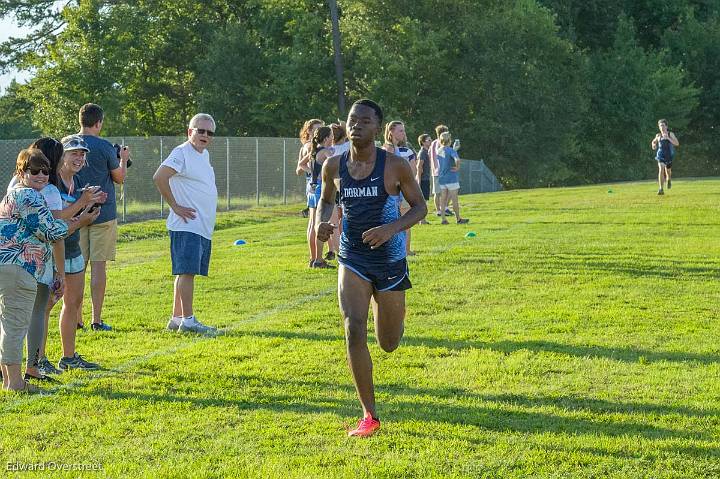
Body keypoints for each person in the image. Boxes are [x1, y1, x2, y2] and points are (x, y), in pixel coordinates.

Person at [316, 99, 427, 437]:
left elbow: (419, 208)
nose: (357, 125)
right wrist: (323, 221)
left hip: (390, 260)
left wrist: (390, 229)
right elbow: (326, 199)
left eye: (365, 121)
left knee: (389, 343)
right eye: (352, 119)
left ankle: (394, 314)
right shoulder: (333, 166)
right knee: (353, 327)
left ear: (377, 128)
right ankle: (369, 414)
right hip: (352, 258)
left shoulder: (395, 165)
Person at [0, 149, 97, 392]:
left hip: (10, 267)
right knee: (15, 325)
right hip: (19, 268)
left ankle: (9, 379)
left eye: (45, 171)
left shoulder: (15, 194)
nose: (42, 175)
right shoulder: (30, 197)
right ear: (21, 172)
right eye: (35, 171)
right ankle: (15, 384)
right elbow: (51, 232)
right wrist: (81, 220)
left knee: (8, 323)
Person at [153, 114, 219, 335]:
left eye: (209, 132)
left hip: (199, 226)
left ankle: (177, 318)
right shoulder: (182, 152)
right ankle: (189, 321)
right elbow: (160, 177)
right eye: (200, 131)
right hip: (186, 224)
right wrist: (175, 206)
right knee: (187, 272)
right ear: (190, 131)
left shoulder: (204, 154)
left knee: (185, 272)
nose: (205, 135)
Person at [76, 103, 131, 331]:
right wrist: (123, 159)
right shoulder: (105, 146)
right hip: (103, 213)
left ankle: (75, 318)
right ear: (98, 122)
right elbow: (119, 178)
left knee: (76, 268)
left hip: (74, 212)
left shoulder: (67, 144)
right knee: (98, 267)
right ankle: (96, 319)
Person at [56, 136, 107, 370]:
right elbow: (56, 218)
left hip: (73, 248)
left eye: (82, 154)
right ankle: (38, 361)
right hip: (54, 252)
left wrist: (90, 205)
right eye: (74, 153)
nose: (79, 158)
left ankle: (69, 357)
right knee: (44, 308)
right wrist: (82, 203)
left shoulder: (77, 182)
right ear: (61, 155)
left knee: (74, 302)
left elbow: (73, 218)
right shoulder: (52, 183)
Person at [383, 121, 417, 255]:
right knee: (389, 220)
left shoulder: (407, 151)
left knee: (405, 222)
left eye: (404, 130)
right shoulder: (384, 150)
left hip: (403, 191)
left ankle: (406, 250)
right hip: (389, 191)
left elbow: (413, 173)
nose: (404, 133)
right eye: (400, 131)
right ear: (391, 132)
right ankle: (392, 249)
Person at [296, 119, 325, 262]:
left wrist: (310, 172)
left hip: (311, 185)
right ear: (309, 131)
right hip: (316, 185)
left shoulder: (307, 147)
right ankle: (316, 258)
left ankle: (313, 258)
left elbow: (299, 168)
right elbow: (300, 168)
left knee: (312, 222)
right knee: (317, 222)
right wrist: (315, 173)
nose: (318, 132)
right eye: (316, 129)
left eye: (321, 129)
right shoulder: (311, 146)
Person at [308, 126, 335, 268]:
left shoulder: (314, 150)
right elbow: (337, 164)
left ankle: (314, 259)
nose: (333, 138)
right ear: (325, 138)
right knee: (321, 226)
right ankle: (318, 260)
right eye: (331, 136)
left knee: (314, 225)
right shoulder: (325, 152)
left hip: (313, 189)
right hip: (320, 190)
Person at [437, 131, 469, 224]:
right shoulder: (451, 150)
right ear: (449, 140)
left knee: (442, 200)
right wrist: (457, 167)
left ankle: (443, 219)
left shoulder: (439, 150)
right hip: (451, 178)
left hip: (442, 178)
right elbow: (457, 159)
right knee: (454, 199)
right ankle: (458, 218)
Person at [429, 124, 453, 217]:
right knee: (450, 190)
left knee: (437, 192)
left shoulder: (433, 143)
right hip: (442, 170)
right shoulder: (441, 143)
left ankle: (439, 210)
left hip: (435, 170)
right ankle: (445, 208)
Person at [651, 119, 679, 195]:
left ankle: (669, 179)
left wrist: (668, 139)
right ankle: (661, 189)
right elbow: (653, 141)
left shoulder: (670, 134)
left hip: (669, 155)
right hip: (660, 155)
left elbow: (677, 143)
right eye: (660, 126)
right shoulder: (658, 135)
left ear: (666, 126)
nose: (662, 127)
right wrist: (653, 145)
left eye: (663, 125)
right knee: (661, 169)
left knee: (668, 171)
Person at [416, 134, 432, 224]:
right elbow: (419, 166)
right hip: (423, 180)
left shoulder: (426, 152)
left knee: (425, 200)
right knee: (423, 201)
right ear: (423, 142)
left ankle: (422, 220)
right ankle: (422, 220)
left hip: (425, 179)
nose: (430, 142)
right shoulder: (423, 152)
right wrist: (418, 179)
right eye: (428, 140)